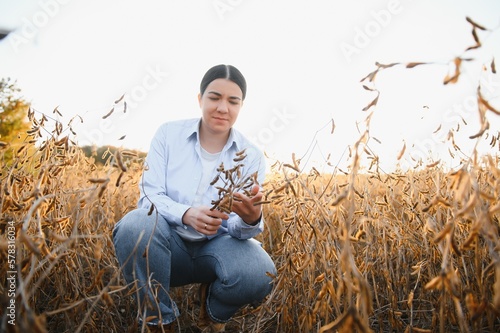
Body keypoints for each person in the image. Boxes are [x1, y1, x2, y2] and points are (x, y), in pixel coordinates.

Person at [113, 64, 276, 333]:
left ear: (241, 106)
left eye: (232, 101)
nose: (223, 108)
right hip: (167, 248)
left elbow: (237, 229)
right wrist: (186, 213)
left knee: (259, 272)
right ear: (200, 99)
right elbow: (149, 195)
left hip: (216, 249)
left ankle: (212, 313)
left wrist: (251, 218)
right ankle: (159, 321)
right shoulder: (168, 134)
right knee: (134, 226)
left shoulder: (251, 155)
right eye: (214, 97)